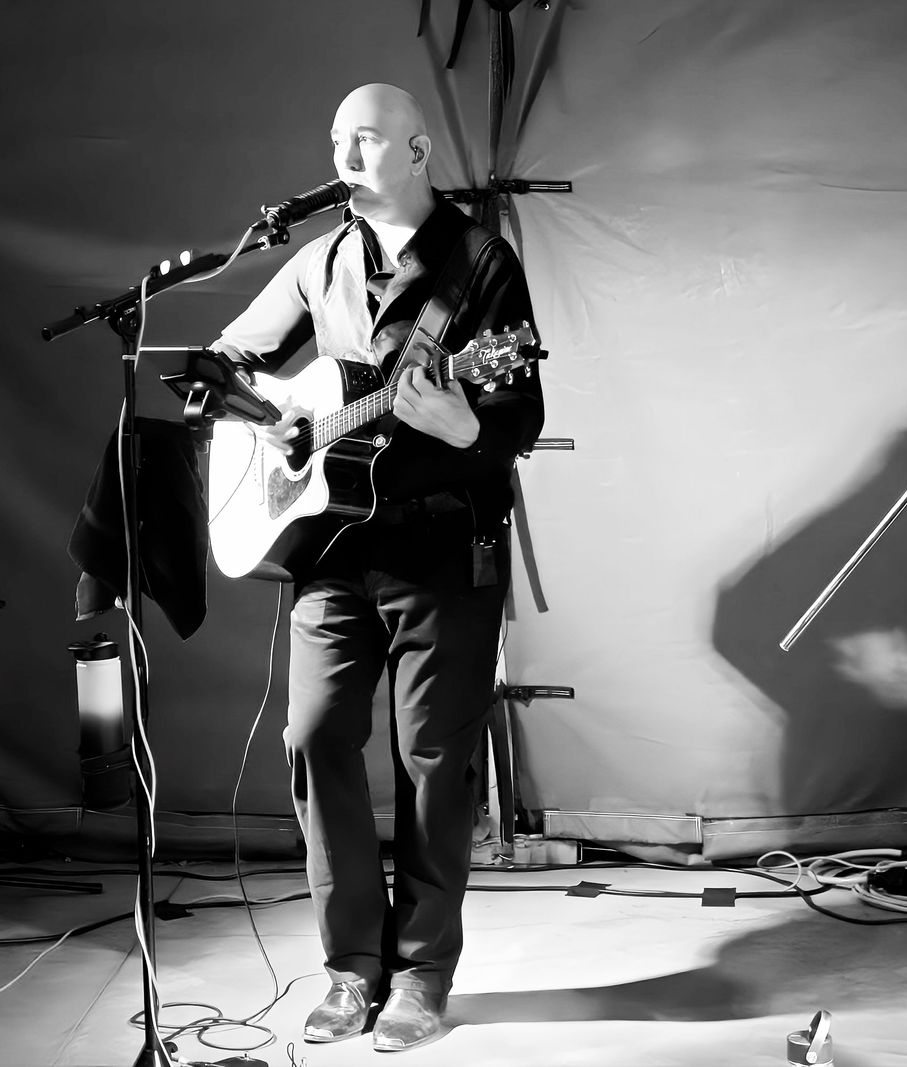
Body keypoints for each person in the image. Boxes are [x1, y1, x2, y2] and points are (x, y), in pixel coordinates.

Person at [210, 83, 544, 1052]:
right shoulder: (318, 260)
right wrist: (274, 421)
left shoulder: (480, 261)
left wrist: (467, 426)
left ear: (418, 149)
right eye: (335, 140)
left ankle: (422, 974)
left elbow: (521, 412)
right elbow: (230, 362)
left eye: (363, 139)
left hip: (444, 547)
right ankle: (352, 965)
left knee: (433, 759)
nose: (344, 157)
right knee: (314, 737)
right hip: (332, 546)